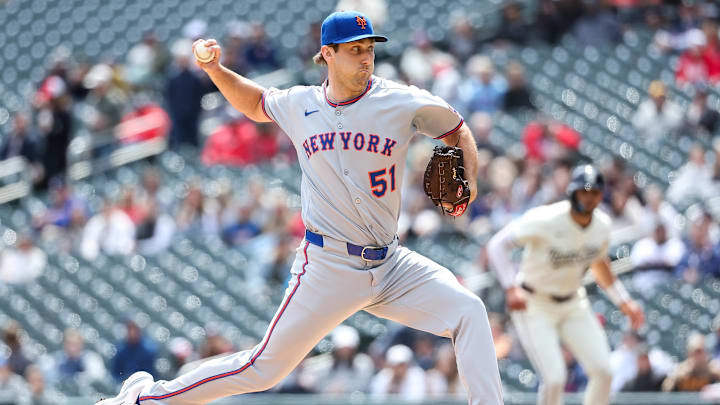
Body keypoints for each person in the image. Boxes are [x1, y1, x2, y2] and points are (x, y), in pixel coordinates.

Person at [99, 10, 502, 405]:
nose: (366, 57)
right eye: (354, 49)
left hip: (391, 263)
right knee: (263, 370)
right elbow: (256, 103)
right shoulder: (300, 104)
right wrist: (216, 71)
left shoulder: (400, 101)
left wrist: (471, 177)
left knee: (469, 310)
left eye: (370, 48)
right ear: (327, 53)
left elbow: (456, 128)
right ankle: (147, 397)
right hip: (329, 266)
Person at [487, 164, 645, 405]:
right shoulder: (547, 218)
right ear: (572, 192)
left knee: (604, 371)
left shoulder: (602, 224)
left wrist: (624, 300)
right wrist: (510, 287)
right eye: (584, 191)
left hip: (573, 302)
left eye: (593, 193)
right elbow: (496, 245)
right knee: (554, 379)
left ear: (601, 195)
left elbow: (599, 264)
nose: (588, 198)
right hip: (534, 303)